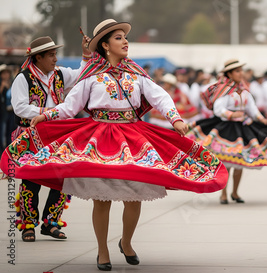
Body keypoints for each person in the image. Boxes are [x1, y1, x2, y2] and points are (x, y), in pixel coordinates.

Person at [1, 19, 227, 271]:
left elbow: (159, 95)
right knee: (103, 198)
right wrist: (46, 116)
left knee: (135, 195)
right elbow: (70, 107)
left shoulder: (136, 73)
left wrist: (174, 118)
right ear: (106, 45)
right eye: (118, 38)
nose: (125, 41)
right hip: (100, 138)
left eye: (125, 37)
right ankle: (102, 250)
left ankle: (126, 242)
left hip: (133, 137)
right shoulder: (90, 76)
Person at [9, 35, 91, 242]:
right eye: (51, 55)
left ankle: (51, 223)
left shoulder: (60, 74)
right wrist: (50, 111)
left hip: (56, 135)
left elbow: (82, 74)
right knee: (31, 179)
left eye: (55, 54)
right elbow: (19, 107)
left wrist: (86, 53)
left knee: (61, 179)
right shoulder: (23, 78)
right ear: (38, 58)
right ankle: (28, 224)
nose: (55, 59)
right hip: (32, 135)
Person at [189, 59, 267, 204]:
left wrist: (260, 118)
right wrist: (232, 114)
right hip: (226, 128)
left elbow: (252, 108)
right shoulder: (224, 90)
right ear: (229, 74)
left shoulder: (244, 90)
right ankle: (223, 194)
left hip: (242, 127)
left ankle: (235, 192)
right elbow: (219, 110)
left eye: (240, 70)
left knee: (240, 161)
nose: (240, 73)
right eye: (237, 71)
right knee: (226, 162)